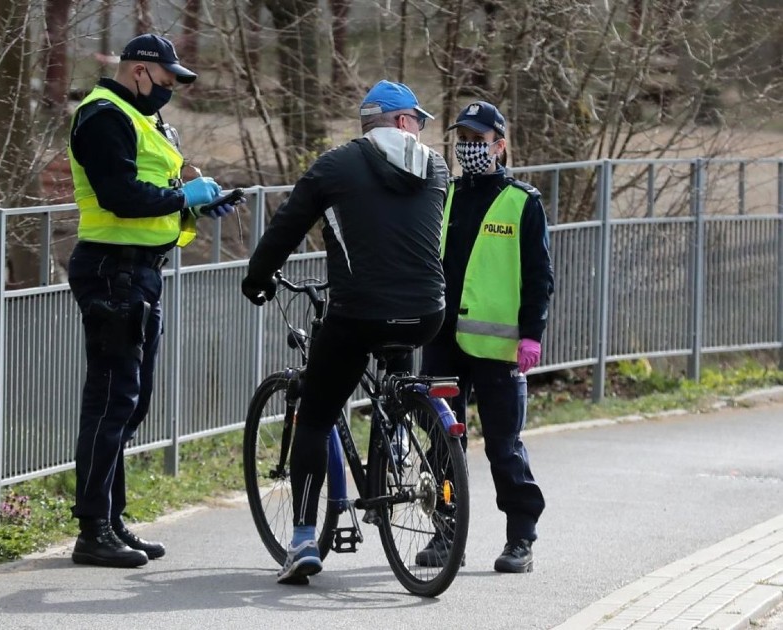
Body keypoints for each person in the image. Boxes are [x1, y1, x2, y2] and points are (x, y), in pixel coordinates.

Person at [241, 80, 449, 584]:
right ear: (401, 122)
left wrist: (257, 277)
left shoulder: (334, 167)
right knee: (396, 368)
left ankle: (305, 539)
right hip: (427, 312)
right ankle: (397, 446)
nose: (421, 127)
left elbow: (287, 228)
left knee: (315, 415)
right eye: (416, 119)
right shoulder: (438, 167)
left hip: (359, 315)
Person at [66, 33, 234, 568]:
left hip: (138, 272)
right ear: (140, 71)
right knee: (112, 399)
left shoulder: (142, 119)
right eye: (166, 80)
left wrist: (193, 206)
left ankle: (110, 521)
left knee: (132, 401)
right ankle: (92, 528)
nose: (170, 91)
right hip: (112, 271)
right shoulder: (103, 116)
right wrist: (185, 196)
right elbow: (118, 196)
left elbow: (154, 187)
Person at [416, 101, 554, 573]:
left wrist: (531, 335)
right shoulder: (445, 195)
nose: (469, 147)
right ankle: (445, 530)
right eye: (464, 138)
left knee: (503, 444)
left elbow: (539, 277)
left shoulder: (522, 201)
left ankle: (521, 538)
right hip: (443, 341)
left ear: (500, 145)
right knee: (438, 441)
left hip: (498, 347)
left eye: (478, 139)